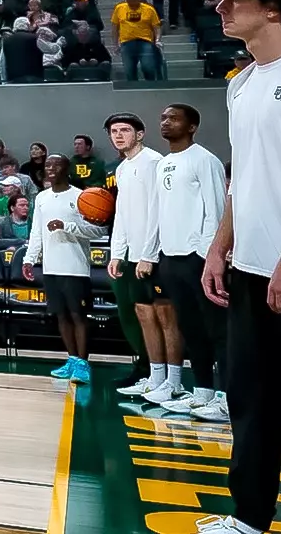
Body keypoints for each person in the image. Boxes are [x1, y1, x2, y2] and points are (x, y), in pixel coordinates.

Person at [201, 0, 281, 534]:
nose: (219, 6)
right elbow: (244, 178)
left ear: (273, 7)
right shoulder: (241, 83)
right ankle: (249, 519)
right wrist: (221, 248)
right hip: (250, 269)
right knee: (251, 399)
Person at [149, 103, 228, 422]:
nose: (166, 122)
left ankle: (225, 398)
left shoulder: (205, 160)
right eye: (163, 117)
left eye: (173, 118)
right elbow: (159, 213)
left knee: (217, 330)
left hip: (200, 260)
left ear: (192, 126)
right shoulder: (164, 163)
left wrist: (209, 254)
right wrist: (156, 252)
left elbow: (218, 209)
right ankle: (203, 393)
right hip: (172, 257)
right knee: (191, 329)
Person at [104, 112, 183, 405]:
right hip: (134, 255)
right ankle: (155, 377)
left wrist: (148, 254)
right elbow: (122, 214)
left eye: (125, 130)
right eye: (114, 131)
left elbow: (157, 211)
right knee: (144, 315)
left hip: (156, 255)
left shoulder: (153, 162)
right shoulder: (123, 168)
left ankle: (173, 382)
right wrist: (117, 254)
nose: (119, 135)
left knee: (165, 317)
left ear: (140, 134)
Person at [22, 154, 103, 383]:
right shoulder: (41, 198)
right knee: (61, 315)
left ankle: (84, 364)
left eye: (57, 164)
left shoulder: (82, 196)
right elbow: (36, 231)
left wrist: (66, 226)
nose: (51, 168)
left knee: (78, 315)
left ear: (67, 169)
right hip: (51, 267)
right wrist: (30, 259)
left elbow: (98, 231)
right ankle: (71, 359)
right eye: (48, 164)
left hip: (75, 267)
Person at [112, 0, 163, 81]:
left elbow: (156, 26)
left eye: (133, 1)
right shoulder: (119, 8)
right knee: (129, 70)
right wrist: (115, 44)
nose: (131, 4)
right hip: (126, 42)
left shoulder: (149, 9)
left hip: (145, 42)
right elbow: (115, 27)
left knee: (148, 67)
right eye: (129, 1)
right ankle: (133, 91)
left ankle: (151, 86)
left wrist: (157, 40)